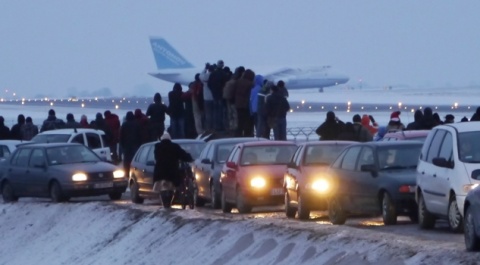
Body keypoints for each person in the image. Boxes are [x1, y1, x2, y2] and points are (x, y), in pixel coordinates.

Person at [153, 132, 193, 208]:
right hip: (171, 172)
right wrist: (190, 158)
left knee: (162, 188)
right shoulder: (174, 146)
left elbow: (156, 158)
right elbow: (183, 155)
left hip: (160, 173)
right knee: (172, 186)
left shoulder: (157, 147)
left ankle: (165, 202)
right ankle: (170, 200)